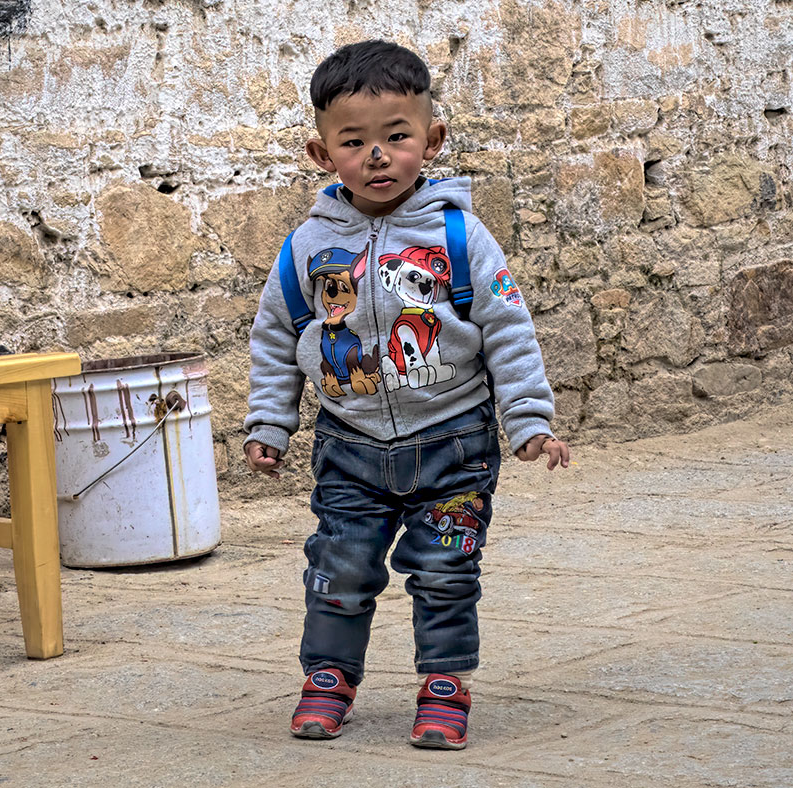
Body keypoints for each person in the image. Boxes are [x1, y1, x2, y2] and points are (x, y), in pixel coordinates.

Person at [241, 39, 571, 750]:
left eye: (397, 136)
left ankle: (444, 687)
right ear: (321, 154)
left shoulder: (460, 235)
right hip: (349, 445)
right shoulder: (306, 249)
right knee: (339, 566)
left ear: (432, 138)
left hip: (453, 441)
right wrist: (269, 422)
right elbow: (276, 337)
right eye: (354, 142)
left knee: (446, 570)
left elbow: (507, 330)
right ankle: (329, 678)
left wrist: (529, 420)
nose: (379, 156)